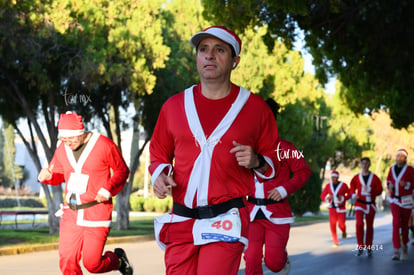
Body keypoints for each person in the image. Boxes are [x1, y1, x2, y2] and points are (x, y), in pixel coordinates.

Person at [149, 26, 279, 275]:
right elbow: (158, 152)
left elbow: (274, 160)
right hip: (181, 218)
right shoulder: (174, 106)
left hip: (225, 218)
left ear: (235, 61)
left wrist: (256, 161)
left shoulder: (255, 108)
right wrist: (160, 175)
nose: (209, 56)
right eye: (203, 50)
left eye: (219, 50)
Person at [38, 112, 133, 275]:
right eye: (63, 139)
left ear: (81, 134)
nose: (67, 143)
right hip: (71, 213)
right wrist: (48, 177)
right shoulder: (62, 149)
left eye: (71, 139)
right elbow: (58, 174)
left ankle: (117, 261)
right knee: (67, 260)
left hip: (97, 212)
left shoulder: (104, 145)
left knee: (92, 264)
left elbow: (122, 171)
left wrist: (107, 189)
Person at [243, 98, 311, 275]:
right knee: (251, 260)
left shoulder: (285, 148)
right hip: (250, 213)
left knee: (274, 263)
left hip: (277, 213)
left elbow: (304, 171)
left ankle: (281, 259)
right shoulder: (245, 148)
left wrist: (283, 189)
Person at [349, 157, 383, 256]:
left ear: (369, 165)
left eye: (366, 163)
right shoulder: (356, 177)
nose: (364, 165)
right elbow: (351, 188)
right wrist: (353, 194)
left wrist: (372, 191)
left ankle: (368, 247)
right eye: (362, 163)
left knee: (369, 226)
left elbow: (380, 190)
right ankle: (360, 246)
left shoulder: (375, 178)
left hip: (370, 204)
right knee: (359, 223)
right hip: (359, 203)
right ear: (360, 164)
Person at [386, 148, 414, 260]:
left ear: (405, 158)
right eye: (398, 156)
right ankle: (396, 250)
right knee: (396, 223)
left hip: (406, 201)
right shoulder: (391, 169)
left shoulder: (410, 170)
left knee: (405, 226)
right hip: (395, 200)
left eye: (402, 156)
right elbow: (388, 181)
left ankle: (405, 246)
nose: (399, 158)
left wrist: (406, 184)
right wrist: (389, 186)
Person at [320, 170, 351, 247]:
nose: (333, 178)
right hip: (332, 208)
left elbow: (349, 194)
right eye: (332, 177)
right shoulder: (328, 186)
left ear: (338, 177)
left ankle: (344, 231)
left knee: (341, 224)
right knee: (332, 225)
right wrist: (327, 197)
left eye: (335, 177)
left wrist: (343, 197)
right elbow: (323, 195)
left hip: (341, 209)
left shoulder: (343, 185)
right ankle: (335, 241)